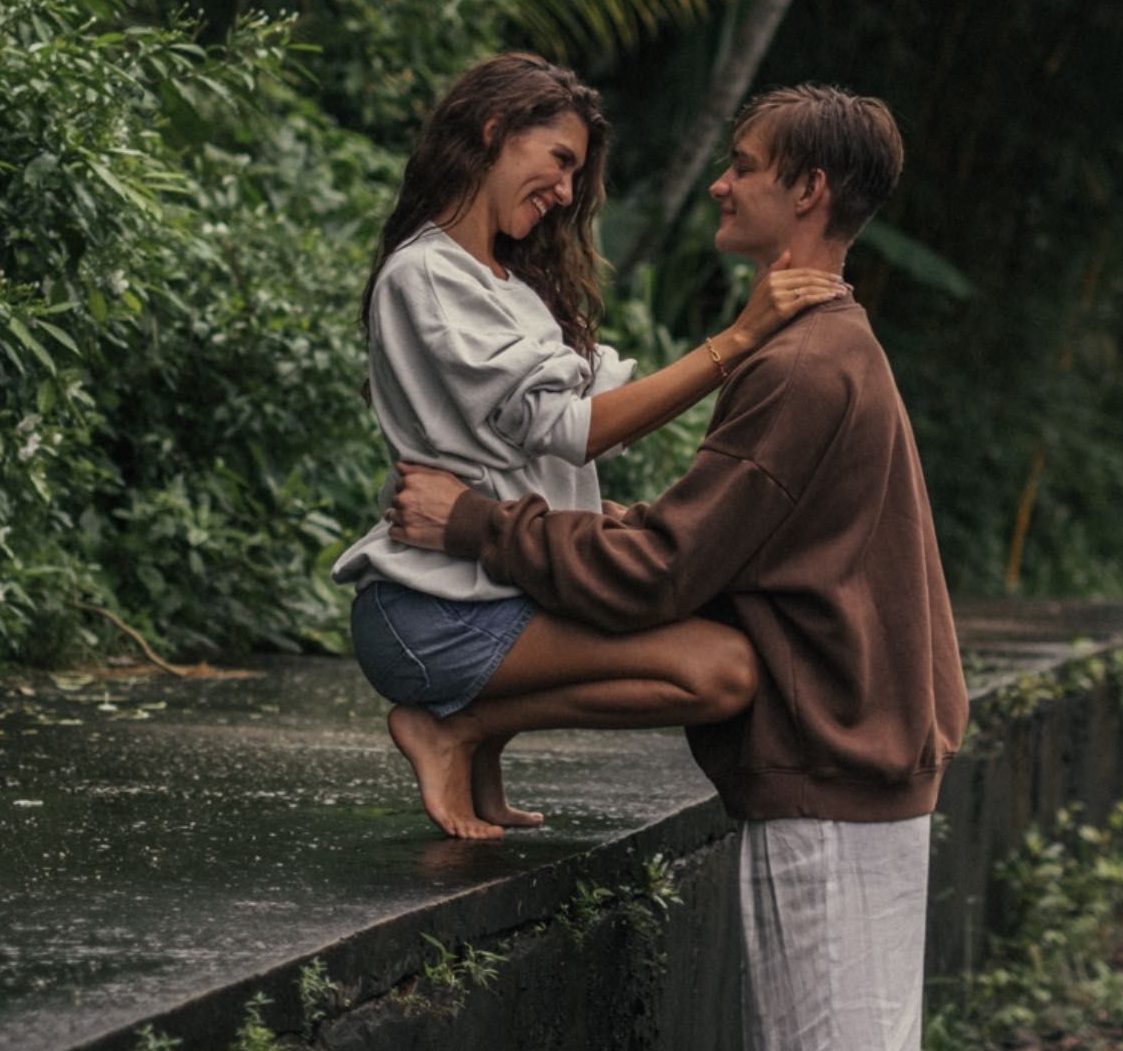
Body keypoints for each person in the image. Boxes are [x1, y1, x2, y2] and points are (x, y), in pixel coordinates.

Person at [388, 83, 969, 1051]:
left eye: (747, 167)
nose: (721, 184)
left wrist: (478, 523)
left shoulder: (803, 365)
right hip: (846, 752)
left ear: (809, 195)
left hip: (833, 766)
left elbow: (661, 566)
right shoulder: (819, 347)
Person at [333, 52, 841, 840]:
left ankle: (475, 740)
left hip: (493, 590)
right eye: (560, 160)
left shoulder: (504, 282)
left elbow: (608, 407)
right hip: (437, 609)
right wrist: (739, 339)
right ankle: (455, 727)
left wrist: (749, 340)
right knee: (723, 670)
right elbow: (575, 428)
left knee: (723, 656)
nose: (567, 192)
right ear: (494, 131)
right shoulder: (428, 274)